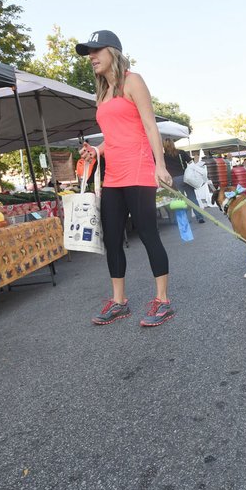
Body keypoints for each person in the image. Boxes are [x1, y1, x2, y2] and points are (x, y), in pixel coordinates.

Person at [76, 30, 175, 327]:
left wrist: (160, 165)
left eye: (96, 51)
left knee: (147, 234)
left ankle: (163, 301)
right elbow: (114, 136)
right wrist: (97, 151)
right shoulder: (103, 93)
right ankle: (119, 302)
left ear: (114, 52)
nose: (91, 57)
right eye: (88, 53)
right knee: (113, 238)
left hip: (139, 170)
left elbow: (148, 124)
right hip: (113, 176)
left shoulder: (133, 81)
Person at [162, 138, 205, 224]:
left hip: (174, 180)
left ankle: (185, 219)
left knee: (180, 200)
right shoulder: (181, 152)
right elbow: (191, 163)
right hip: (186, 177)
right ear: (173, 144)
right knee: (192, 198)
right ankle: (199, 217)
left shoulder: (163, 156)